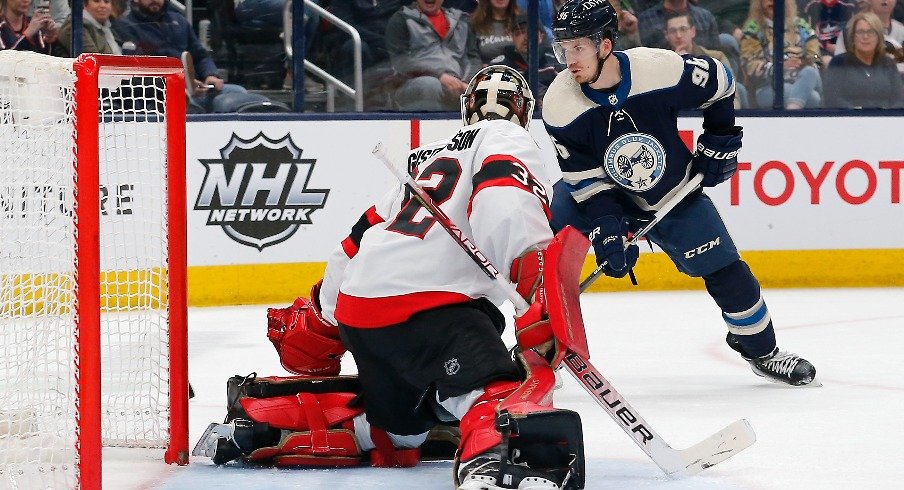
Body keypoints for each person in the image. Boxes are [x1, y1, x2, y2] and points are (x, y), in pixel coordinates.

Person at [192, 65, 587, 490]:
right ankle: (491, 469)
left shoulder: (427, 156)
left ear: (466, 108)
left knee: (404, 428)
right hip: (429, 308)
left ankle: (280, 426)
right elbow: (505, 205)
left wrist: (324, 323)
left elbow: (355, 243)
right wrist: (533, 294)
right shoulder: (509, 138)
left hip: (362, 312)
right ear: (525, 112)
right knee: (500, 393)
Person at [542, 0, 818, 386]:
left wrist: (721, 136)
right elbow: (587, 180)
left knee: (725, 269)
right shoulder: (559, 103)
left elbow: (721, 82)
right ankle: (536, 348)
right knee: (547, 245)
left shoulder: (658, 69)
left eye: (578, 48)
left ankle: (762, 350)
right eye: (563, 49)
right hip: (604, 193)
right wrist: (607, 228)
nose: (568, 60)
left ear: (605, 44)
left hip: (670, 190)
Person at [114, 0, 254, 113]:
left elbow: (200, 55)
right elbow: (138, 71)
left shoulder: (179, 21)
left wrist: (210, 75)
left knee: (238, 92)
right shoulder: (125, 26)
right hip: (159, 95)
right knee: (195, 106)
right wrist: (183, 84)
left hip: (195, 88)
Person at [384, 0, 482, 111]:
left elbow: (473, 58)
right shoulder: (401, 19)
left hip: (459, 84)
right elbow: (400, 62)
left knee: (489, 89)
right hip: (413, 84)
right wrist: (438, 76)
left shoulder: (462, 21)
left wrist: (467, 83)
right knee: (430, 84)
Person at [741, 0, 823, 109]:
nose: (773, 3)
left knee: (810, 72)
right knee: (814, 98)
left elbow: (816, 58)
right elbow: (750, 65)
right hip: (770, 86)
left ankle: (791, 111)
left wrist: (802, 64)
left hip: (804, 79)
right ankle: (794, 108)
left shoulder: (801, 25)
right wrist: (781, 67)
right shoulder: (752, 28)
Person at [663, 11, 749, 107]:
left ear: (693, 31)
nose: (678, 35)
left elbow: (732, 99)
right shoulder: (658, 63)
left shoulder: (717, 58)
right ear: (666, 35)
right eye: (673, 31)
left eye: (683, 29)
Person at [823, 11, 904, 107]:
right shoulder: (839, 63)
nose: (865, 37)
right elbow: (832, 99)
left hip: (885, 119)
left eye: (871, 32)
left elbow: (899, 100)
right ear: (853, 37)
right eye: (860, 32)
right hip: (849, 119)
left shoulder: (888, 63)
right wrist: (858, 115)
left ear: (879, 37)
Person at [491, 11, 564, 101]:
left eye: (531, 31)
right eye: (519, 32)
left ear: (541, 36)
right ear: (512, 37)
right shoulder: (500, 66)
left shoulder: (556, 61)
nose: (526, 37)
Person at [798, 0, 857, 67]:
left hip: (845, 49)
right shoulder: (807, 5)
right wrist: (824, 46)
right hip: (817, 49)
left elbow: (854, 32)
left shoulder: (850, 5)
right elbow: (805, 31)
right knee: (826, 61)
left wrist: (839, 49)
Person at [55, 0, 123, 56]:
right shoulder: (74, 26)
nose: (103, 6)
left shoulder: (107, 27)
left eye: (106, 2)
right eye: (96, 1)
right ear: (85, 4)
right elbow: (93, 60)